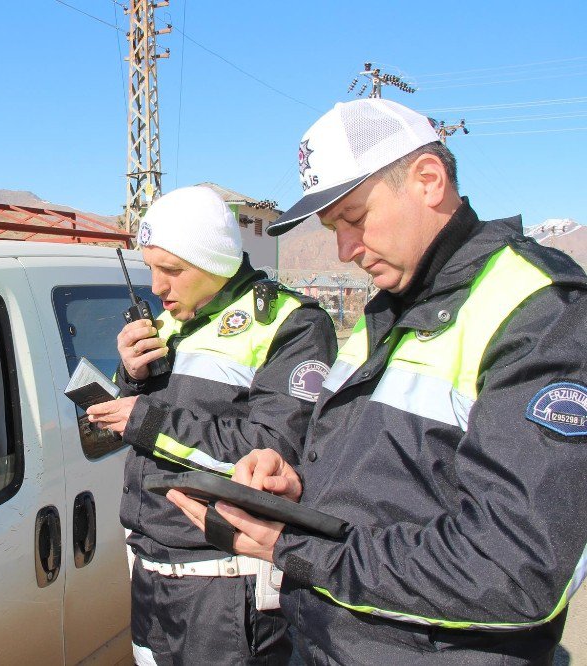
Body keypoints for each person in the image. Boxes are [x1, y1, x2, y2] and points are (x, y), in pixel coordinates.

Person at [167, 98, 587, 664]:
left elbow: (519, 567)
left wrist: (297, 548)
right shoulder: (387, 309)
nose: (345, 251)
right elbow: (391, 482)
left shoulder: (543, 311)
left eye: (355, 219)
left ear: (429, 180)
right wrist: (298, 489)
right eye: (332, 227)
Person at [86, 185, 337, 666]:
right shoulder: (168, 322)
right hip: (149, 570)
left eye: (172, 270)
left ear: (217, 261)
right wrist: (131, 378)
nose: (157, 287)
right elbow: (137, 428)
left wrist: (145, 419)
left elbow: (271, 449)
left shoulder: (292, 325)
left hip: (225, 587)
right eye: (151, 269)